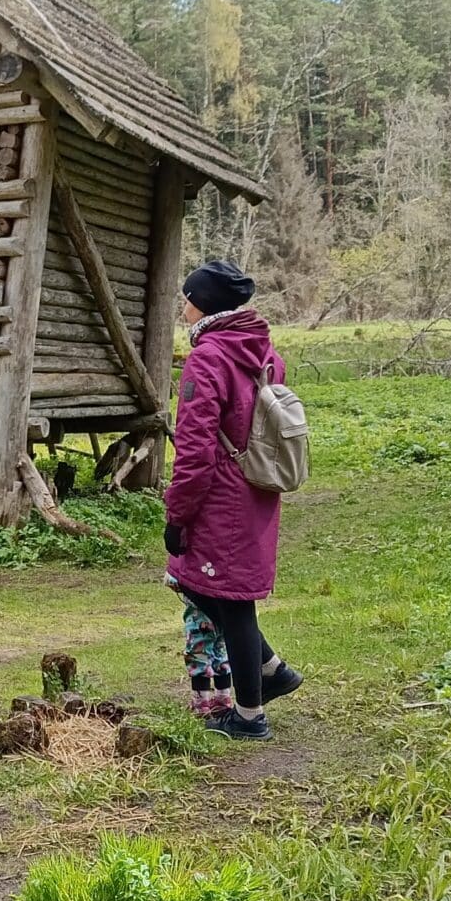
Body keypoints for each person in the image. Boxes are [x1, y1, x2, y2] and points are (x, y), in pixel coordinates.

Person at [161, 259, 302, 741]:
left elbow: (194, 447)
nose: (183, 305)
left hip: (220, 495)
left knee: (230, 599)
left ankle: (249, 716)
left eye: (188, 297)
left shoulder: (208, 357)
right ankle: (271, 670)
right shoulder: (263, 350)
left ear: (204, 303)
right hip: (257, 485)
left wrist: (178, 514)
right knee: (203, 587)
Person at [167, 572, 236, 719]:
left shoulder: (195, 566)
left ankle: (200, 704)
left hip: (199, 620)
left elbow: (173, 581)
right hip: (222, 615)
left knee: (198, 658)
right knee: (221, 656)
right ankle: (223, 700)